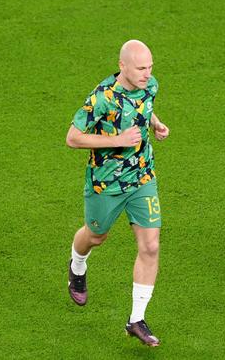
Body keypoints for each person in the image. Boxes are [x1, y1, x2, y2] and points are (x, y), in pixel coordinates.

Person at [65, 39, 169, 347]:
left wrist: (156, 123)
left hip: (142, 176)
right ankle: (77, 265)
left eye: (150, 67)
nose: (147, 74)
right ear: (122, 66)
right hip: (105, 183)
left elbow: (143, 108)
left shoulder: (150, 86)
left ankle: (136, 319)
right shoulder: (102, 98)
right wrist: (118, 139)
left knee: (150, 246)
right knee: (96, 236)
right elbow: (73, 138)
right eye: (140, 68)